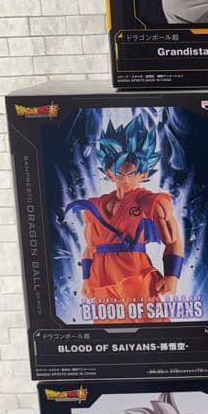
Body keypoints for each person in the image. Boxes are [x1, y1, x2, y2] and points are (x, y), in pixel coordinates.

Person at [64, 115, 182, 322]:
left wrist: (172, 276)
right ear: (110, 174)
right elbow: (91, 249)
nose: (126, 180)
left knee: (152, 326)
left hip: (135, 275)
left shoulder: (151, 202)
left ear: (143, 174)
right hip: (101, 280)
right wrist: (86, 279)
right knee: (110, 331)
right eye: (120, 174)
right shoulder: (93, 207)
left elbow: (173, 241)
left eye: (132, 174)